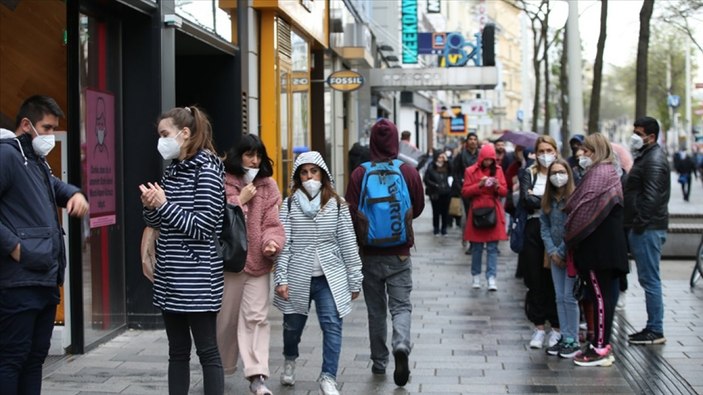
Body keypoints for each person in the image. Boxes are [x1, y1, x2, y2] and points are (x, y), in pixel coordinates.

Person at [0, 95, 89, 395]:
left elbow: (56, 188)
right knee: (12, 358)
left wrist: (74, 194)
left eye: (54, 128)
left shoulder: (35, 162)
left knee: (35, 358)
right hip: (18, 280)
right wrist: (14, 247)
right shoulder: (8, 156)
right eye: (46, 128)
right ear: (27, 125)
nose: (51, 136)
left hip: (45, 276)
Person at [139, 106, 225, 395]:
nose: (161, 140)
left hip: (199, 277)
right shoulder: (174, 169)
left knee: (207, 352)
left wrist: (164, 204)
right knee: (177, 352)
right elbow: (160, 222)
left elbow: (203, 227)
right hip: (170, 276)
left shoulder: (209, 170)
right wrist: (151, 206)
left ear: (184, 133)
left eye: (165, 134)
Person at [274, 151, 363, 395]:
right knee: (292, 328)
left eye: (313, 171)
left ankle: (328, 377)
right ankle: (290, 360)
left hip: (329, 278)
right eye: (304, 172)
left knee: (332, 325)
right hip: (297, 276)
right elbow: (285, 243)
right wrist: (280, 277)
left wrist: (354, 279)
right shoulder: (289, 204)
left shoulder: (337, 204)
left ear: (322, 174)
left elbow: (347, 241)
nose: (309, 176)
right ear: (298, 176)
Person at [345, 118, 425, 387]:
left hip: (369, 254)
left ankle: (380, 362)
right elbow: (419, 206)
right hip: (400, 252)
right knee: (401, 306)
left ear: (372, 143)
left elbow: (350, 211)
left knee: (376, 311)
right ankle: (401, 344)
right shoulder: (408, 171)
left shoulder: (360, 173)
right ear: (395, 141)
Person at [216, 134, 285, 395]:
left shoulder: (268, 186)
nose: (254, 160)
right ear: (238, 156)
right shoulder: (223, 182)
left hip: (257, 263)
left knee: (257, 319)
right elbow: (213, 217)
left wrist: (272, 244)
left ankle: (257, 375)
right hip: (229, 263)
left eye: (258, 155)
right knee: (225, 320)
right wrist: (239, 200)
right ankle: (219, 368)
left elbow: (272, 224)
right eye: (249, 155)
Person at [565, 133, 629, 366]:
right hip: (607, 250)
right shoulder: (610, 172)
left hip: (598, 251)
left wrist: (569, 227)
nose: (582, 155)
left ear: (597, 152)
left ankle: (600, 347)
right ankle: (599, 343)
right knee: (604, 298)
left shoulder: (598, 174)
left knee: (600, 298)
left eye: (587, 151)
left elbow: (581, 209)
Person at [624, 116, 670, 345]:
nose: (634, 137)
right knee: (648, 279)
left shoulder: (653, 160)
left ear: (651, 137)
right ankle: (653, 326)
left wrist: (639, 224)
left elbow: (651, 198)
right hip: (646, 226)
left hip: (648, 228)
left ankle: (655, 329)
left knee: (650, 280)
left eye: (638, 133)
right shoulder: (647, 157)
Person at [519, 136, 561, 350]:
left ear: (555, 150)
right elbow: (526, 201)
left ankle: (556, 327)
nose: (545, 154)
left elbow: (563, 198)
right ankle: (538, 327)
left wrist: (538, 198)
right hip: (533, 229)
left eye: (549, 150)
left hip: (555, 229)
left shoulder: (561, 172)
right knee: (535, 278)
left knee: (554, 278)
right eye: (541, 150)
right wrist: (546, 199)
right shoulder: (529, 173)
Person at [539, 159, 580, 358]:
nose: (557, 176)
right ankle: (564, 336)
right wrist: (552, 251)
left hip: (570, 254)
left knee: (569, 297)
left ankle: (573, 339)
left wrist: (561, 251)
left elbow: (574, 226)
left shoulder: (574, 197)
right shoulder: (548, 200)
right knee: (559, 297)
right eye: (553, 173)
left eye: (561, 172)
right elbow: (544, 226)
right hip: (554, 254)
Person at [461, 144, 508, 291]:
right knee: (477, 247)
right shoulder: (470, 171)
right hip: (477, 211)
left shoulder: (498, 170)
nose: (488, 163)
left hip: (493, 210)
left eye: (491, 160)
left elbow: (505, 192)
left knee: (493, 248)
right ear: (481, 158)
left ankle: (491, 277)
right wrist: (479, 185)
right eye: (486, 160)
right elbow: (465, 192)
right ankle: (476, 276)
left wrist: (496, 186)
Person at [452, 133, 480, 253]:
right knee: (469, 217)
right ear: (467, 142)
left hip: (480, 190)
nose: (473, 141)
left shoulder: (481, 155)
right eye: (471, 139)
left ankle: (479, 241)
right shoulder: (461, 156)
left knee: (480, 215)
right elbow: (456, 172)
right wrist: (460, 187)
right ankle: (471, 242)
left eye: (475, 139)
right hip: (466, 191)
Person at [423, 152, 452, 236]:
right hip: (435, 193)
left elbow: (452, 169)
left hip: (446, 192)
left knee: (445, 212)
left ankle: (444, 228)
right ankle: (436, 228)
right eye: (439, 157)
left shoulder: (446, 167)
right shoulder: (431, 167)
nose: (441, 159)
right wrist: (435, 185)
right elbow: (426, 179)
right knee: (436, 212)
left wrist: (447, 160)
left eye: (442, 157)